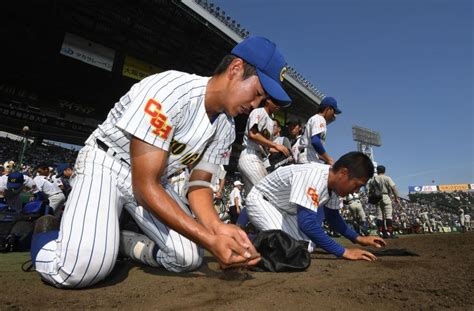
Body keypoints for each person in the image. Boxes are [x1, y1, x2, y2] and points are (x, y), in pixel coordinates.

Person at [30, 35, 291, 288]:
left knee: (187, 258)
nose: (256, 103)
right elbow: (145, 187)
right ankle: (46, 235)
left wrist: (218, 228)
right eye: (257, 92)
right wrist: (210, 240)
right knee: (82, 269)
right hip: (107, 163)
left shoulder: (225, 126)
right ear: (235, 69)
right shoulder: (173, 92)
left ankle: (121, 241)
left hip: (156, 180)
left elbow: (199, 186)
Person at [246, 151, 386, 261]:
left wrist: (358, 238)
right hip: (262, 201)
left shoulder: (334, 185)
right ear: (343, 173)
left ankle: (257, 233)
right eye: (357, 185)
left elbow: (333, 217)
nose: (356, 191)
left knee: (307, 247)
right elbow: (306, 223)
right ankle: (244, 239)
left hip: (283, 210)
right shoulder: (314, 176)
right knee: (289, 248)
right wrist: (344, 252)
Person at [237, 97, 290, 195]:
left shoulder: (270, 120)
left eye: (280, 103)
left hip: (259, 157)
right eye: (276, 102)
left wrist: (280, 150)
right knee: (266, 192)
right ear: (268, 100)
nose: (278, 105)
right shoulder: (259, 112)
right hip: (250, 155)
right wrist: (276, 145)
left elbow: (265, 146)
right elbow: (253, 134)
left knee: (252, 198)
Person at [297, 96, 341, 165]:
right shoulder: (319, 119)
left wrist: (327, 158)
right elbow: (315, 141)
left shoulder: (315, 118)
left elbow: (315, 147)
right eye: (334, 111)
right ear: (328, 109)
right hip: (308, 157)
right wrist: (328, 159)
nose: (334, 115)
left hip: (308, 155)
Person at [368, 165, 400, 238]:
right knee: (388, 216)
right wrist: (396, 198)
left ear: (378, 171)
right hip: (385, 196)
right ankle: (390, 233)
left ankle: (382, 233)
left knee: (380, 216)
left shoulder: (373, 179)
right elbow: (393, 188)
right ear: (384, 171)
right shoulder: (387, 178)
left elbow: (370, 191)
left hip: (377, 198)